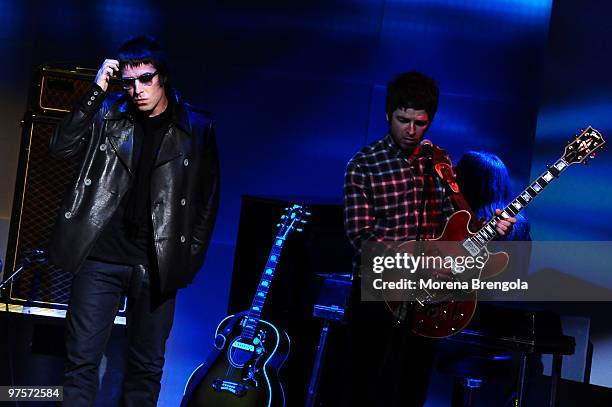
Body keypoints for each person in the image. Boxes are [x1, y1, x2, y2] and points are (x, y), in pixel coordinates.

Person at [47, 35, 219, 406]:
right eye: (129, 82)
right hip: (100, 258)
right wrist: (94, 92)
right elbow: (60, 147)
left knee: (146, 368)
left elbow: (208, 200)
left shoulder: (197, 127)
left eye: (146, 79)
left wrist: (186, 263)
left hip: (156, 264)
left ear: (163, 77)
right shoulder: (108, 113)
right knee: (80, 363)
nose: (137, 90)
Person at [342, 72, 515, 406]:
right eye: (402, 120)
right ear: (387, 115)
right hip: (377, 296)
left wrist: (489, 226)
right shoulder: (363, 165)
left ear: (430, 120)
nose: (410, 130)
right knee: (363, 389)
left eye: (419, 123)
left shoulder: (439, 161)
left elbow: (454, 219)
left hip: (429, 299)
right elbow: (362, 238)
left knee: (411, 388)